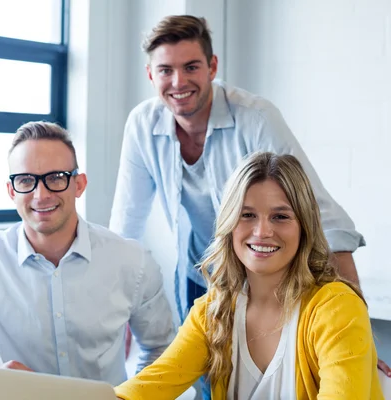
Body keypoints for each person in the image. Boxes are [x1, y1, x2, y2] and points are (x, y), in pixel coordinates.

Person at [108, 15, 391, 388]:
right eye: (166, 70)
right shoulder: (141, 125)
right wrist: (119, 314)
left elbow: (320, 213)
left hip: (278, 272)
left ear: (212, 66)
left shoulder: (255, 117)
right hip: (207, 272)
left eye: (191, 66)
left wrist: (358, 332)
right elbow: (125, 228)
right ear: (150, 75)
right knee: (210, 382)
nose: (178, 82)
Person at [0, 121, 175, 386]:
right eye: (26, 180)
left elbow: (162, 350)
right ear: (11, 191)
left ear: (79, 184)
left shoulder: (132, 260)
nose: (40, 195)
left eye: (55, 178)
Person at [114, 152, 384, 400]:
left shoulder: (337, 309)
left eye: (280, 216)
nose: (262, 231)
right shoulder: (213, 312)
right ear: (229, 224)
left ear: (304, 227)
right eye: (247, 215)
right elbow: (148, 387)